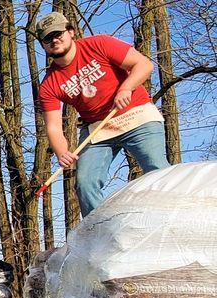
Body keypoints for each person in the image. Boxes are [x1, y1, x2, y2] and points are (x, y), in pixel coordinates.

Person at [36, 12, 170, 217]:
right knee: (85, 184)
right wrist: (62, 152)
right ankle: (99, 230)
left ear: (70, 32)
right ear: (43, 45)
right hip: (98, 130)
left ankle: (174, 217)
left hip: (137, 116)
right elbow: (53, 127)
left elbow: (144, 64)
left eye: (58, 34)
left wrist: (126, 88)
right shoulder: (49, 84)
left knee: (157, 169)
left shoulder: (99, 44)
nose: (54, 40)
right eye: (47, 38)